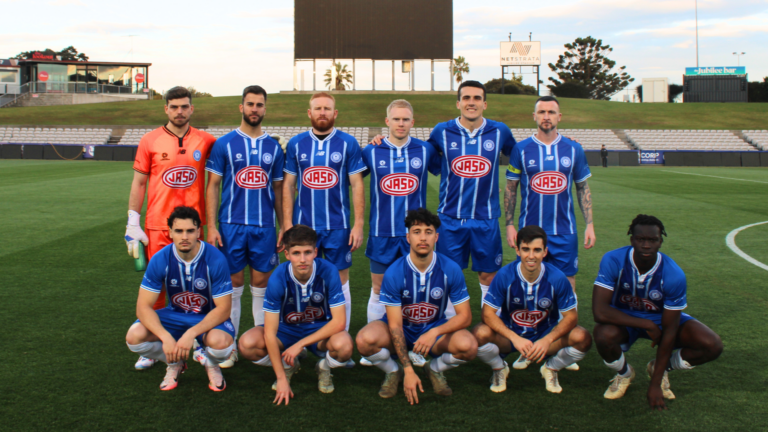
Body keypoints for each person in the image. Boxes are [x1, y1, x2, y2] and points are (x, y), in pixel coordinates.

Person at [372, 81, 516, 311]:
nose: (471, 102)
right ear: (458, 103)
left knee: (489, 277)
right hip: (450, 219)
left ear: (485, 104)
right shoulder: (442, 131)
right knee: (448, 276)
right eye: (466, 98)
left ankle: (492, 332)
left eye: (477, 98)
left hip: (486, 219)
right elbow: (420, 153)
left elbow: (521, 155)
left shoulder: (500, 131)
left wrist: (564, 142)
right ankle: (451, 331)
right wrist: (381, 140)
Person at [125, 86, 216, 370]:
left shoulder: (206, 140)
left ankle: (200, 340)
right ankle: (153, 345)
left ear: (192, 109)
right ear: (165, 108)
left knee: (201, 285)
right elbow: (139, 182)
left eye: (185, 106)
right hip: (158, 226)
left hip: (193, 228)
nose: (180, 111)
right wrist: (132, 220)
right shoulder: (149, 140)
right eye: (174, 106)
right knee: (157, 287)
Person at [592, 214, 722, 410]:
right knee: (602, 335)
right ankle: (625, 374)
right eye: (640, 239)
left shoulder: (673, 274)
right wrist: (646, 324)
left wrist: (655, 385)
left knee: (712, 345)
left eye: (652, 240)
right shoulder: (613, 260)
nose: (646, 245)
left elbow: (670, 330)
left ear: (660, 241)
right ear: (631, 240)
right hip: (626, 319)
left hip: (662, 321)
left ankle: (659, 370)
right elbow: (600, 312)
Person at [504, 96, 594, 370]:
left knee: (567, 289)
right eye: (541, 111)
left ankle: (560, 347)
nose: (546, 116)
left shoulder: (574, 149)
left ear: (559, 116)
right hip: (531, 234)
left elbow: (582, 188)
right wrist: (509, 223)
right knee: (528, 288)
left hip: (564, 232)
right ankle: (526, 344)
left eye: (551, 112)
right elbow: (511, 188)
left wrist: (589, 223)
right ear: (534, 116)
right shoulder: (521, 149)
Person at [355, 208, 477, 403]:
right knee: (364, 340)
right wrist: (408, 369)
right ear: (408, 237)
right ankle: (393, 371)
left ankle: (434, 368)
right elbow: (395, 326)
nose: (423, 238)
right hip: (401, 328)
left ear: (436, 237)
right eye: (417, 232)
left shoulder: (450, 269)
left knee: (468, 346)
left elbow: (465, 317)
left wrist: (433, 333)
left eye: (428, 232)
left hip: (432, 328)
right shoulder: (394, 272)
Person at [205, 85, 285, 368]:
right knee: (234, 284)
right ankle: (231, 345)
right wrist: (211, 225)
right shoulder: (224, 143)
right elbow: (213, 186)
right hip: (230, 225)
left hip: (263, 227)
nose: (254, 109)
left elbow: (278, 190)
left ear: (265, 109)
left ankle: (262, 343)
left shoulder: (273, 147)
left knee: (261, 284)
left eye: (260, 105)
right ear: (241, 107)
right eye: (250, 104)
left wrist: (284, 225)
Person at [238, 225, 353, 404]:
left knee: (345, 346)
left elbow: (339, 322)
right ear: (287, 254)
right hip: (286, 331)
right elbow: (269, 332)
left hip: (318, 330)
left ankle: (323, 367)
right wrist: (281, 378)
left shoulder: (328, 271)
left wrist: (301, 344)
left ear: (316, 252)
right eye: (296, 253)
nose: (302, 259)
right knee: (247, 344)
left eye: (307, 252)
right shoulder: (278, 277)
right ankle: (287, 367)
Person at [125, 206, 234, 392]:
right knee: (134, 337)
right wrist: (166, 337)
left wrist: (190, 334)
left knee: (221, 344)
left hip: (206, 317)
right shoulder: (160, 259)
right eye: (179, 231)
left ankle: (211, 364)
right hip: (174, 315)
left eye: (190, 231)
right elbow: (143, 307)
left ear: (199, 231)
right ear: (170, 232)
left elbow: (223, 309)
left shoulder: (216, 259)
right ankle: (174, 362)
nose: (185, 236)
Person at [282, 92, 366, 335]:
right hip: (303, 228)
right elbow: (288, 184)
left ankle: (342, 336)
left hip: (338, 226)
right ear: (309, 113)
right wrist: (287, 223)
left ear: (335, 113)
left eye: (327, 108)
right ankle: (304, 334)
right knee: (302, 280)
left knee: (340, 282)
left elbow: (358, 185)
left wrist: (358, 224)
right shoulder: (297, 143)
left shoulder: (348, 143)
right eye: (317, 108)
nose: (322, 112)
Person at [472, 225, 591, 393]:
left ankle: (551, 368)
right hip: (512, 335)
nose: (531, 256)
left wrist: (547, 339)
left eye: (537, 250)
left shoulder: (557, 277)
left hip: (544, 335)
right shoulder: (505, 275)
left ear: (545, 251)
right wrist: (515, 338)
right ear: (518, 250)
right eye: (526, 249)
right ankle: (499, 368)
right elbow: (487, 313)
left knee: (583, 337)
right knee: (478, 334)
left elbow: (571, 317)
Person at [361, 99, 440, 324]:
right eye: (396, 119)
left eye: (405, 119)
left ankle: (414, 338)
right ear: (387, 121)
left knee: (415, 288)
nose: (401, 123)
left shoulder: (425, 150)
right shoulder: (371, 151)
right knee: (378, 288)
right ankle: (374, 347)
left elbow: (450, 172)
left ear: (412, 122)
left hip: (416, 234)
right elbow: (351, 181)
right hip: (381, 232)